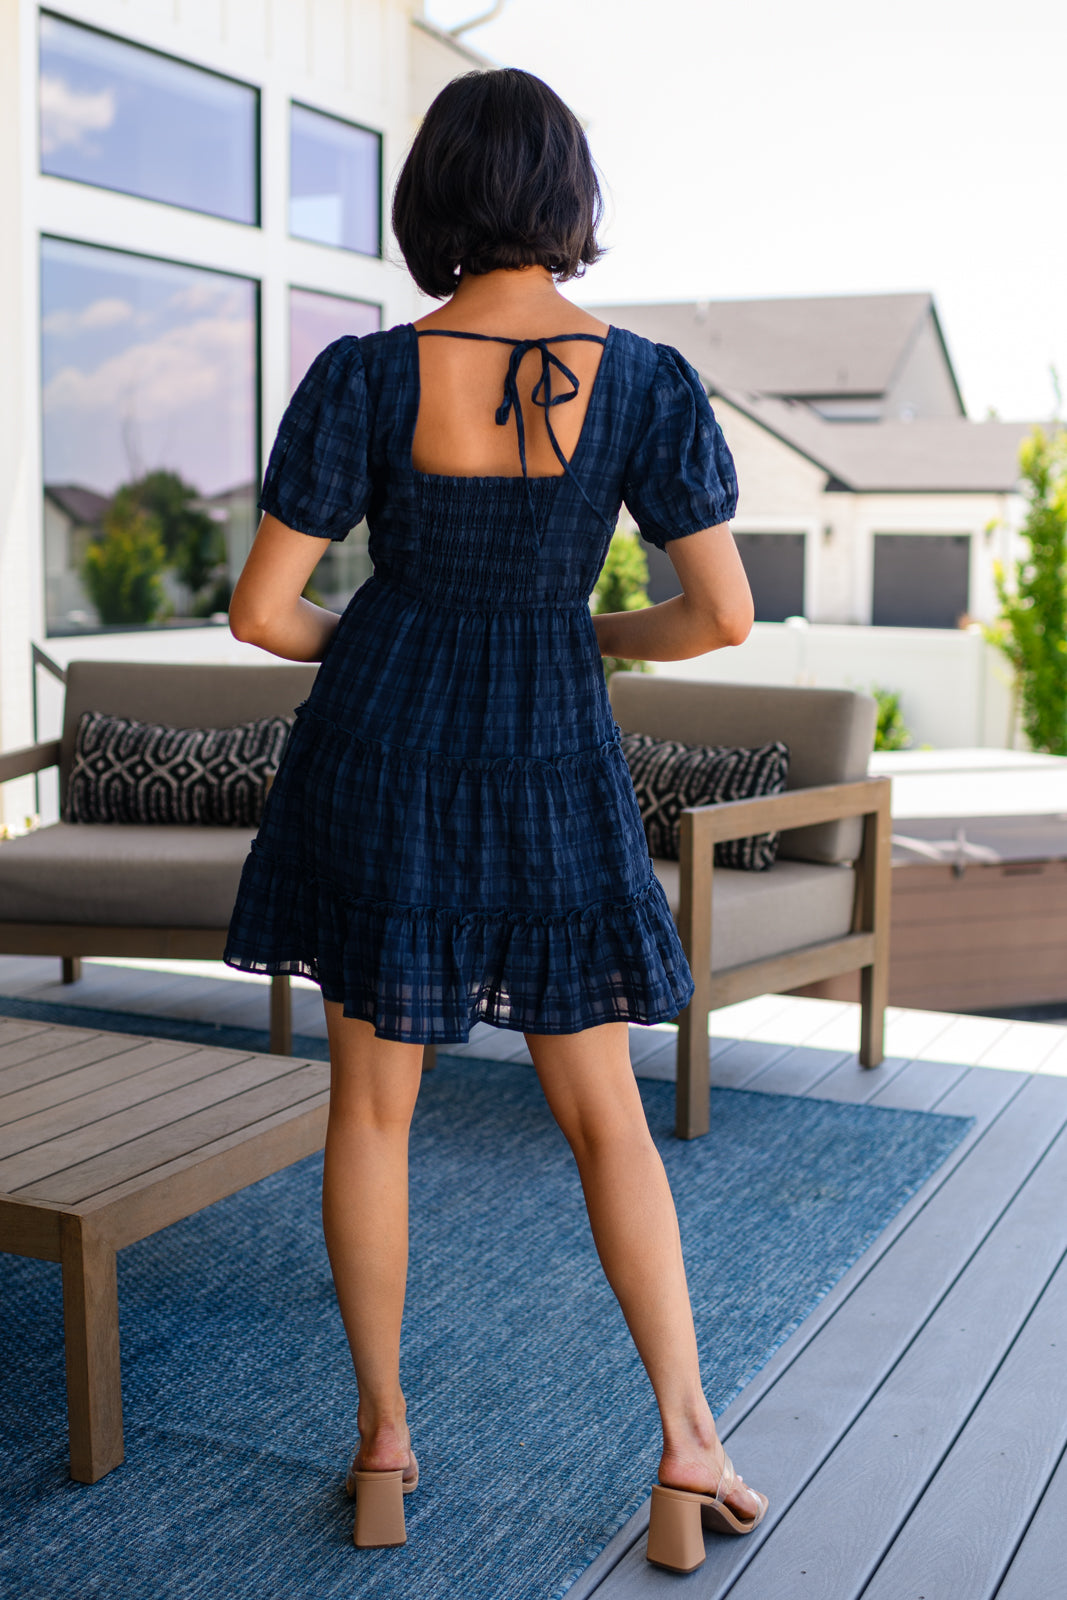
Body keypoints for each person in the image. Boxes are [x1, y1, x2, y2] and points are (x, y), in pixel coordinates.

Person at [224, 66, 767, 1570]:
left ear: (434, 200)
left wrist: (388, 647)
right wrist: (575, 637)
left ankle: (384, 1442)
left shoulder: (363, 374)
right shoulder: (646, 381)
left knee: (371, 1111)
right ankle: (688, 1443)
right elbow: (721, 616)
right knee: (606, 1119)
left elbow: (264, 614)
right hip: (548, 756)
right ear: (568, 196)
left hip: (381, 758)